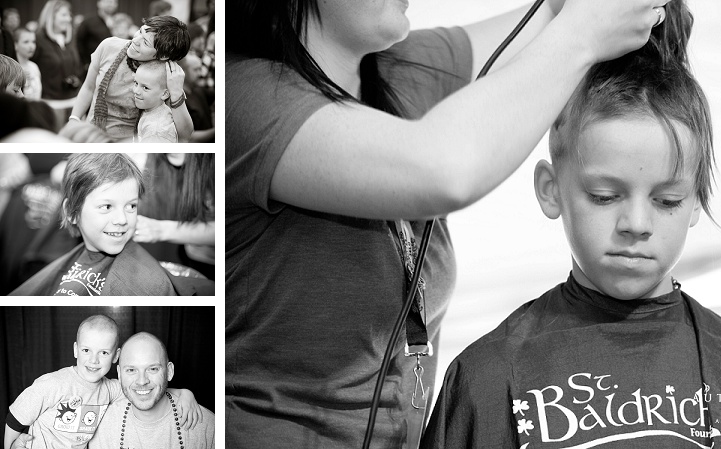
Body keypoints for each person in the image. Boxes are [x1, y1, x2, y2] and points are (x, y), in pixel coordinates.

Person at [225, 0, 671, 447]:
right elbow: (446, 168)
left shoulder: (398, 71)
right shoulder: (243, 100)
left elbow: (551, 17)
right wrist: (582, 35)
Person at [420, 3, 721, 448]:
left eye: (667, 200)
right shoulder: (486, 380)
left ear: (696, 204)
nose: (635, 224)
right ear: (551, 189)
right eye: (605, 196)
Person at [3, 315, 201, 449]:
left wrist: (184, 393)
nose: (94, 360)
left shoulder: (110, 389)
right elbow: (15, 418)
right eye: (86, 350)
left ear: (116, 356)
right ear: (75, 350)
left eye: (104, 352)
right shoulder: (53, 384)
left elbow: (143, 389)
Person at [9, 153, 176, 295]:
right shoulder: (50, 270)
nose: (122, 219)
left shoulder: (152, 286)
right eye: (107, 207)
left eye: (131, 206)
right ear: (71, 211)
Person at [67, 15, 193, 142]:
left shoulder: (164, 73)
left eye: (145, 42)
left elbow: (185, 134)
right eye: (140, 31)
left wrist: (176, 92)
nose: (135, 40)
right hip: (92, 135)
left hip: (129, 145)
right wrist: (74, 119)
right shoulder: (108, 46)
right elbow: (88, 88)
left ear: (163, 56)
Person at [85, 332, 215, 449]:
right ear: (119, 374)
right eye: (131, 370)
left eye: (153, 369)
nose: (142, 381)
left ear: (169, 371)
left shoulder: (209, 427)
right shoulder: (100, 424)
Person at [32, 0, 82, 100]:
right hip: (49, 102)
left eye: (69, 15)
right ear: (51, 16)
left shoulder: (70, 39)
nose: (68, 19)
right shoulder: (38, 39)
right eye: (64, 15)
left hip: (72, 99)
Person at [133, 60, 176, 142]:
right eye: (136, 83)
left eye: (145, 88)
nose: (136, 91)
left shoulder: (156, 131)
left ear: (164, 94)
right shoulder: (150, 109)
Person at [75, 0, 117, 72]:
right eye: (108, 1)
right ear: (99, 3)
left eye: (114, 2)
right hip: (92, 69)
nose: (111, 4)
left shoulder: (119, 22)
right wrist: (85, 63)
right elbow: (78, 43)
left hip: (112, 69)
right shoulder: (88, 22)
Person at [13, 28, 42, 100]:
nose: (31, 46)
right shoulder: (11, 70)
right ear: (15, 45)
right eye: (26, 42)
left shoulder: (34, 67)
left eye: (33, 42)